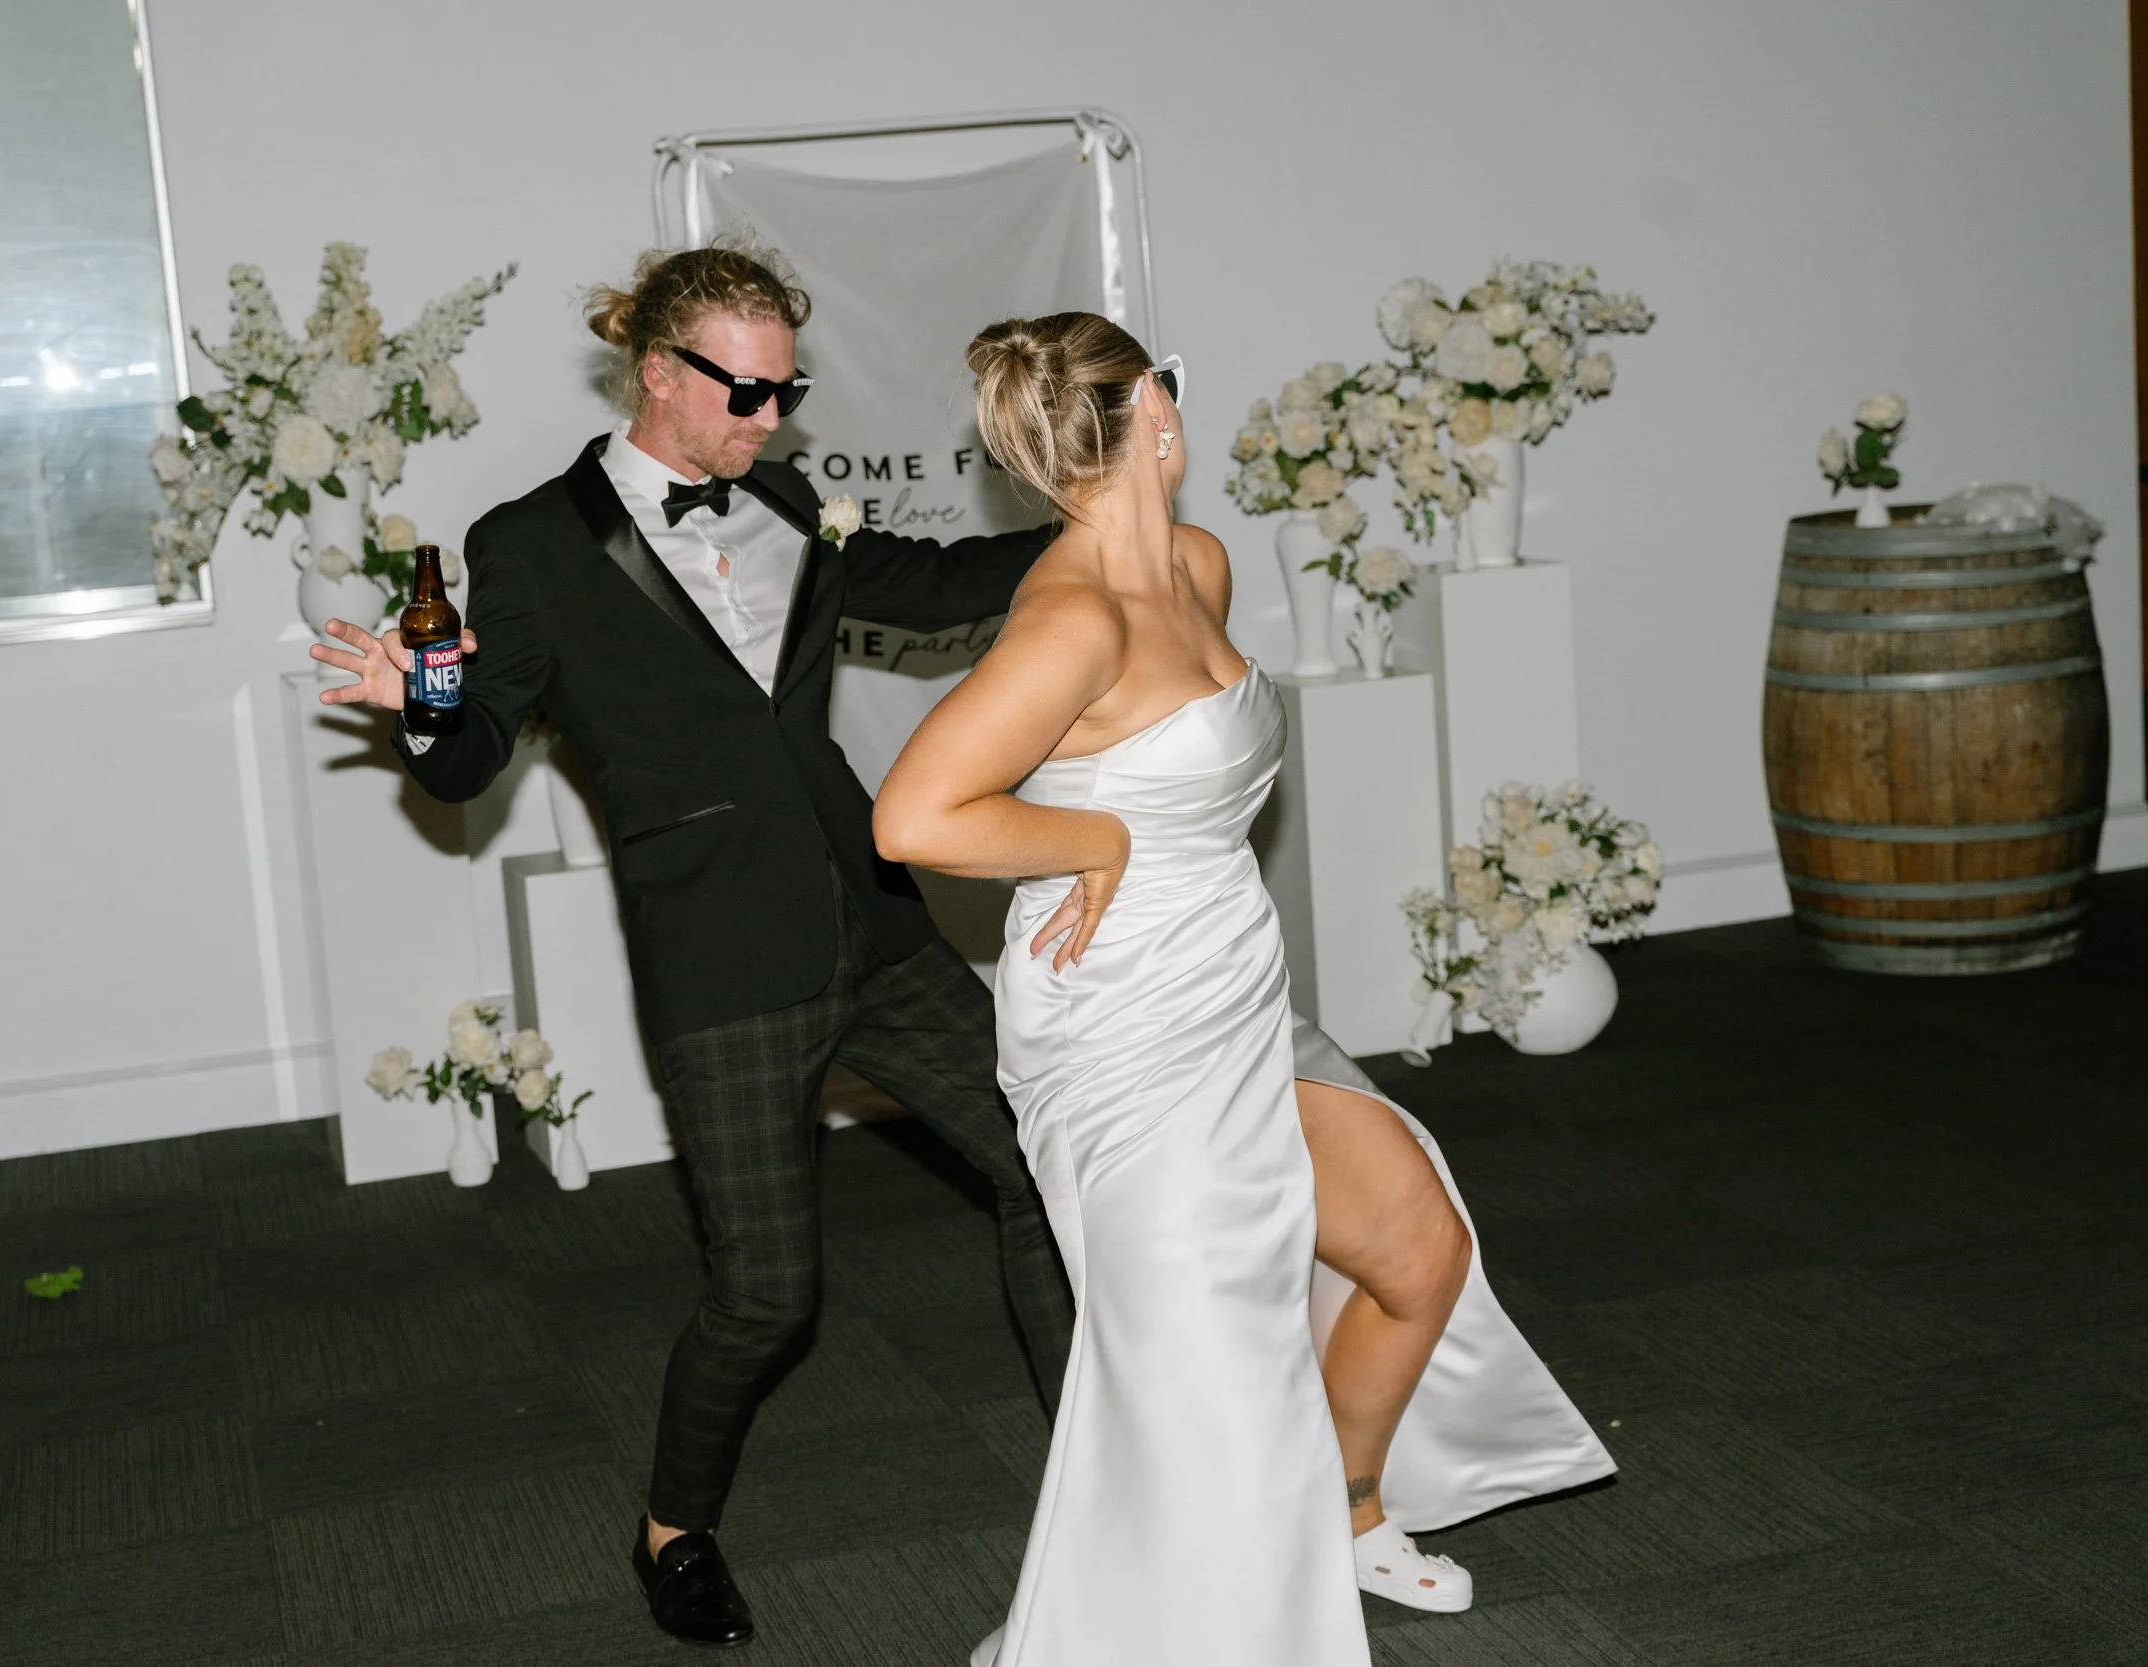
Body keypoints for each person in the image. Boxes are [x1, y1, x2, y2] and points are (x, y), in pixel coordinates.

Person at [307, 242, 1071, 1651]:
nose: (771, 420)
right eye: (745, 390)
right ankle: (673, 1527)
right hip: (722, 957)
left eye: (789, 390)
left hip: (875, 918)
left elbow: (938, 576)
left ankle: (1102, 1472)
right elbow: (472, 757)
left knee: (1045, 1163)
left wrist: (1105, 522)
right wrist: (415, 702)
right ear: (656, 372)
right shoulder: (530, 544)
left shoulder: (785, 494)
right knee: (769, 1293)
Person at [873, 313, 1615, 1664]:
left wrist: (1132, 833)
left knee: (1416, 1246)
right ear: (1154, 404)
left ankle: (1342, 1510)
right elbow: (915, 816)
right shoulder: (1071, 618)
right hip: (1120, 1020)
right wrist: (1093, 837)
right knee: (1205, 1385)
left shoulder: (1197, 565)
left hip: (1232, 977)